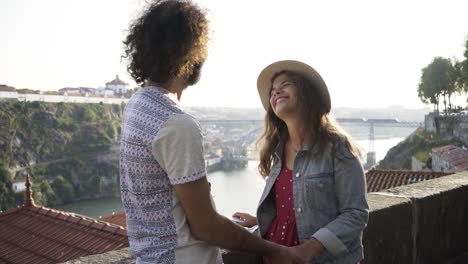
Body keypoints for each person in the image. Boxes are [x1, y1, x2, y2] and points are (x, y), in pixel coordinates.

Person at [119, 1, 305, 264]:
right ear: (191, 54)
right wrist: (273, 249)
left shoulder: (135, 108)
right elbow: (206, 227)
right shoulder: (177, 125)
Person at [233, 60, 369, 264]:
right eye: (272, 91)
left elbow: (356, 214)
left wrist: (308, 250)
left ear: (306, 93)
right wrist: (260, 222)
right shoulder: (277, 152)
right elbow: (292, 207)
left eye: (285, 84)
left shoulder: (337, 148)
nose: (276, 92)